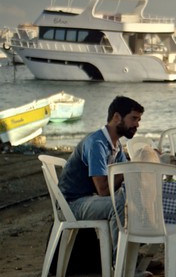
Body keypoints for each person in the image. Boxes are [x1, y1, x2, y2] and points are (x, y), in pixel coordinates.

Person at [57, 96, 148, 275]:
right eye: (133, 119)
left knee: (136, 200)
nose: (137, 125)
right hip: (73, 203)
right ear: (116, 117)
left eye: (139, 120)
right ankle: (121, 266)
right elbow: (104, 190)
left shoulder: (116, 145)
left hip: (91, 199)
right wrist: (133, 166)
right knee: (120, 204)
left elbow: (123, 179)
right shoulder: (96, 143)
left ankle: (131, 259)